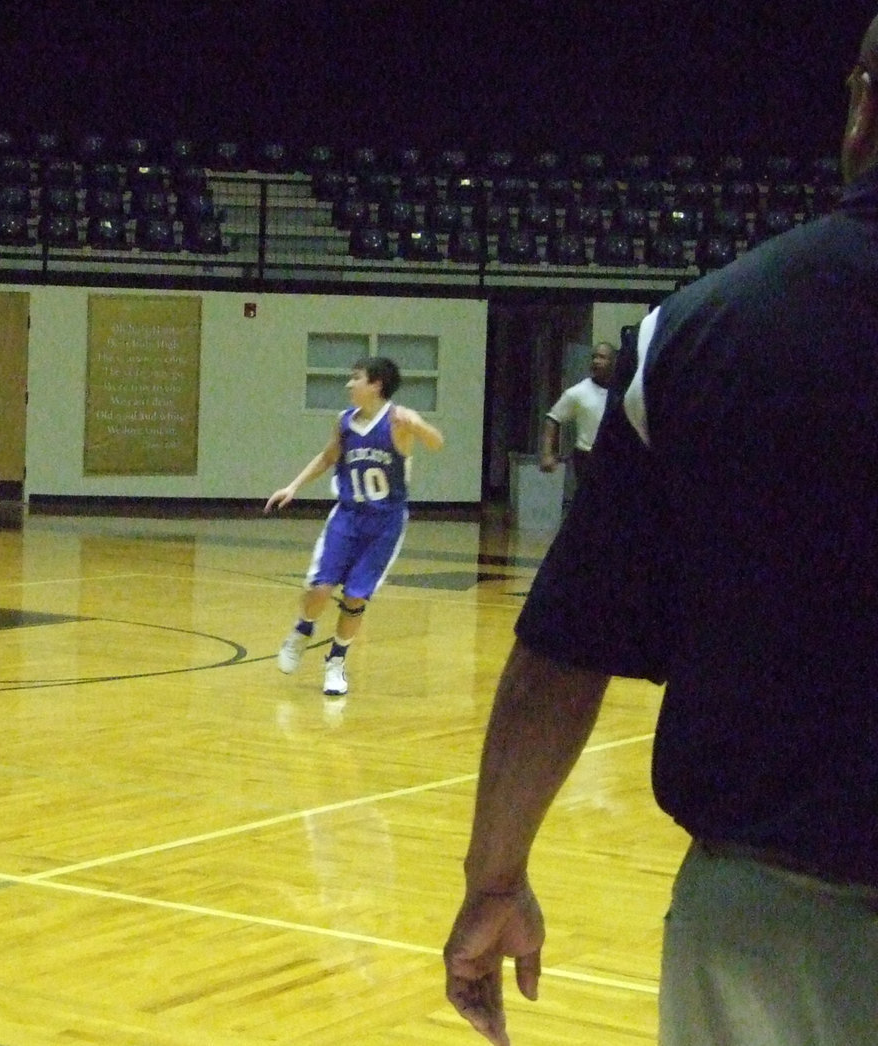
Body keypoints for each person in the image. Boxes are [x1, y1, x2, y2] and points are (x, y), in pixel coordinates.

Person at [443, 15, 878, 1046]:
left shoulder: (701, 332)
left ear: (863, 103)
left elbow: (562, 650)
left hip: (774, 928)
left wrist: (495, 876)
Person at [265, 356, 444, 697]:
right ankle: (302, 631)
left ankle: (336, 661)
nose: (349, 384)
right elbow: (326, 458)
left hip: (385, 524)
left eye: (356, 378)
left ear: (375, 384)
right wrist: (293, 487)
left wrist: (419, 427)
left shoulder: (399, 420)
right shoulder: (345, 422)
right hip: (347, 517)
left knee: (356, 597)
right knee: (320, 587)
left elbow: (436, 442)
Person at [538, 340, 615, 488]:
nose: (596, 361)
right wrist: (547, 453)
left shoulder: (622, 391)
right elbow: (552, 419)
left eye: (602, 357)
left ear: (613, 362)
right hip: (588, 457)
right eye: (594, 357)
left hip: (614, 456)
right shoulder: (578, 392)